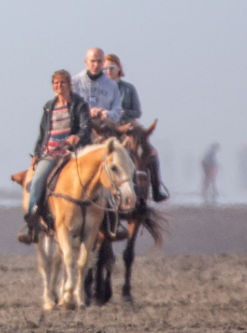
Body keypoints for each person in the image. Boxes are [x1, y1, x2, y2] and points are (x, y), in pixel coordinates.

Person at [18, 70, 92, 244]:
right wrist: (37, 155)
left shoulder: (79, 104)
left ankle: (106, 219)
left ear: (69, 84)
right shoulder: (49, 106)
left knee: (95, 178)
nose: (59, 86)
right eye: (56, 83)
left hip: (72, 154)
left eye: (62, 83)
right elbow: (43, 133)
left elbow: (86, 128)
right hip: (51, 153)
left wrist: (78, 137)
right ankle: (32, 224)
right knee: (37, 181)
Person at [104, 54, 168, 202]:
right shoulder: (97, 89)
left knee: (151, 152)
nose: (108, 70)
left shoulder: (128, 89)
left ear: (119, 68)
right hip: (108, 127)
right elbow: (92, 105)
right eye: (105, 68)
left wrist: (123, 112)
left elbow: (137, 111)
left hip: (128, 126)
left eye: (111, 67)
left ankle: (156, 190)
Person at [72, 48, 123, 129]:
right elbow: (68, 109)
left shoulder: (112, 85)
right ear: (86, 62)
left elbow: (117, 111)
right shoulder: (75, 83)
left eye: (99, 61)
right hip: (80, 129)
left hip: (105, 130)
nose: (96, 65)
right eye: (92, 61)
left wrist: (106, 114)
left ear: (103, 63)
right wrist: (88, 112)